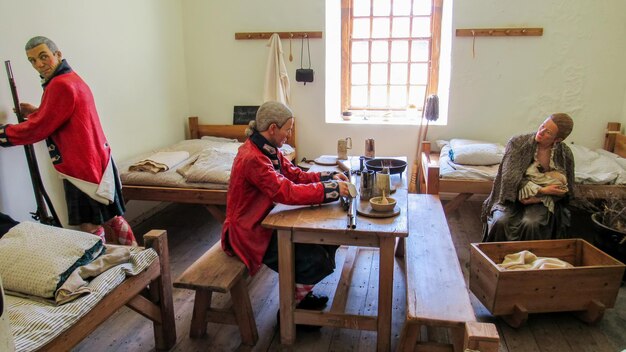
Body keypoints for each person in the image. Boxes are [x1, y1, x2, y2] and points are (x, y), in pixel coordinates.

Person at [0, 36, 136, 246]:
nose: (39, 64)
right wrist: (37, 111)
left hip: (81, 168)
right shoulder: (71, 79)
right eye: (33, 61)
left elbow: (40, 127)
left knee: (90, 227)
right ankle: (139, 256)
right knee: (111, 218)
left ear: (58, 54)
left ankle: (102, 267)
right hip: (96, 160)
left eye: (43, 56)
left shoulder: (60, 85)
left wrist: (5, 133)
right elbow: (63, 115)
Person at [221, 101, 350, 319]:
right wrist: (332, 189)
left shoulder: (268, 150)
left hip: (266, 220)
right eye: (287, 129)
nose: (289, 135)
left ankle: (300, 298)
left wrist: (328, 177)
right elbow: (286, 192)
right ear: (273, 128)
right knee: (315, 259)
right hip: (249, 232)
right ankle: (290, 315)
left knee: (326, 240)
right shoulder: (252, 158)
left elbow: (295, 174)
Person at [482, 113, 575, 242]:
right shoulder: (518, 143)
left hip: (542, 201)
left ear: (557, 139)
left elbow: (568, 187)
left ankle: (529, 259)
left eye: (547, 132)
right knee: (501, 221)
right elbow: (509, 179)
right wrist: (542, 190)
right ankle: (495, 258)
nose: (541, 131)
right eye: (542, 125)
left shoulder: (564, 153)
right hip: (510, 198)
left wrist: (539, 197)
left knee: (532, 223)